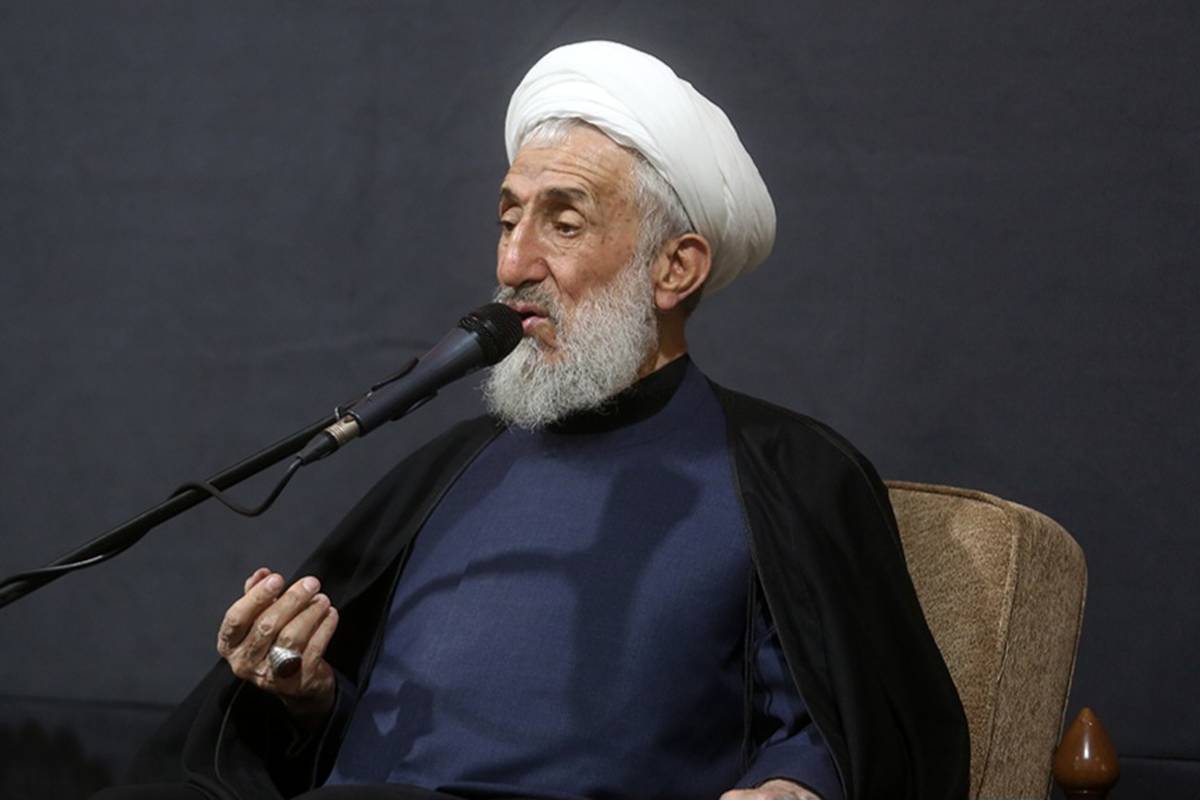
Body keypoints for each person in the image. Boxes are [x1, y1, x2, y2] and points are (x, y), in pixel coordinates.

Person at [99, 41, 968, 800]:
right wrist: (309, 695)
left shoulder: (782, 471)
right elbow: (365, 745)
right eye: (509, 217)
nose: (514, 263)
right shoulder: (449, 469)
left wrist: (792, 786)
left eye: (564, 221)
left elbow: (843, 726)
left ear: (674, 269)